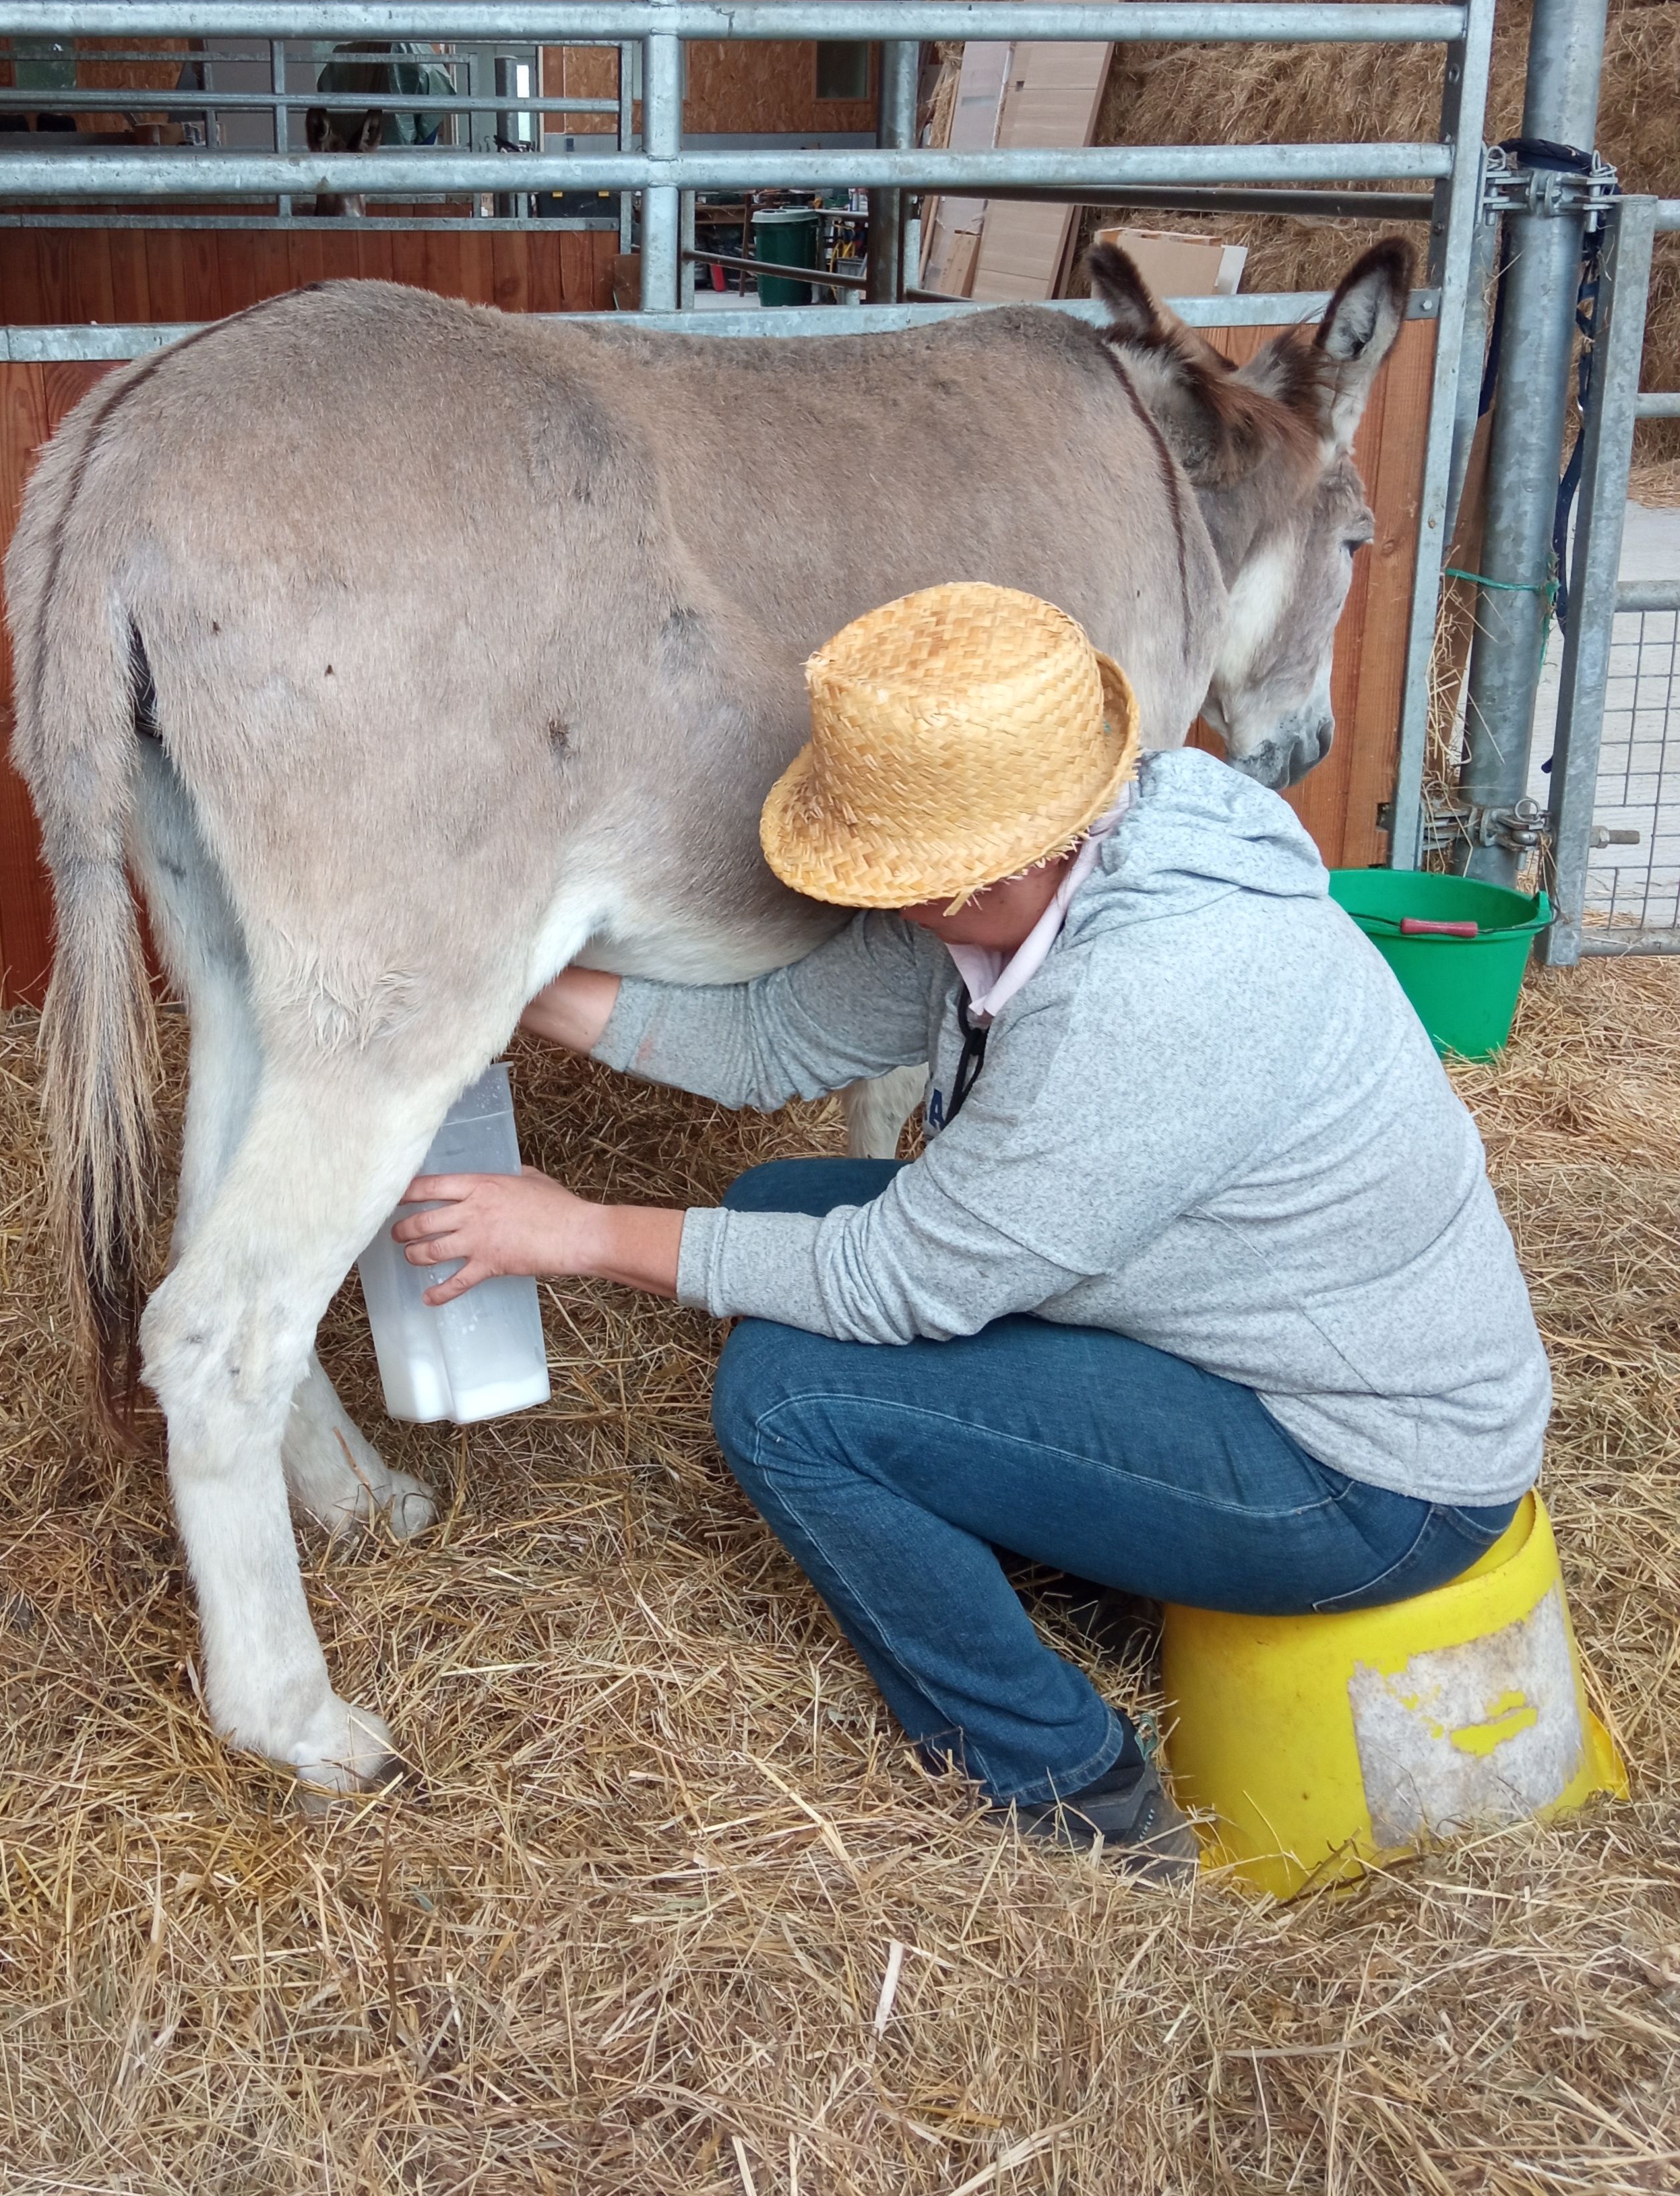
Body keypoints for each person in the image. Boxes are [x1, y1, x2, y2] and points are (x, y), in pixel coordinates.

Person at [392, 582, 1551, 1875]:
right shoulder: (1048, 857)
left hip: (1366, 1475)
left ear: (994, 863)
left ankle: (1069, 1783)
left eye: (897, 881)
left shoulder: (1157, 993)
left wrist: (573, 1230)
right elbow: (780, 1038)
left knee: (789, 1400)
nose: (881, 906)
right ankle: (1082, 1570)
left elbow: (903, 1284)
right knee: (777, 1208)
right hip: (1233, 1345)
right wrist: (503, 985)